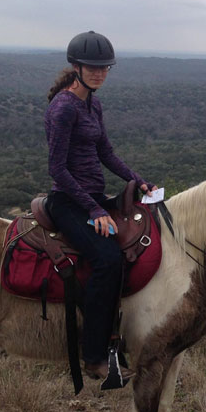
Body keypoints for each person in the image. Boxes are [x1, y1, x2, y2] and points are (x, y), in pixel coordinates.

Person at [44, 30, 156, 381]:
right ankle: (92, 355)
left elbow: (105, 153)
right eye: (92, 67)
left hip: (93, 197)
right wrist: (93, 211)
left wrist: (135, 180)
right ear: (75, 67)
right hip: (68, 200)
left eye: (105, 68)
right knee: (106, 260)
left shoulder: (93, 103)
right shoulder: (63, 108)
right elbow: (57, 169)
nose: (99, 73)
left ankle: (116, 337)